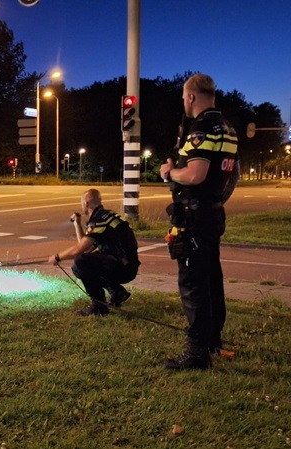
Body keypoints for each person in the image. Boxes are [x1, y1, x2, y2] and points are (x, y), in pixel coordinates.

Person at [159, 73, 239, 370]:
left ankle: (196, 353)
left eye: (183, 96)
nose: (183, 101)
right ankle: (213, 339)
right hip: (212, 211)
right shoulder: (228, 128)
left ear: (191, 96)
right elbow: (232, 175)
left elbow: (195, 174)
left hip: (195, 214)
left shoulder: (202, 129)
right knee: (210, 277)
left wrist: (169, 172)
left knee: (192, 282)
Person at [49, 189, 140, 316]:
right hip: (127, 265)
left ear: (86, 203)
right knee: (78, 266)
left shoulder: (98, 220)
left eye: (82, 203)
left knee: (81, 261)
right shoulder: (106, 216)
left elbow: (79, 250)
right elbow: (86, 248)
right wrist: (77, 224)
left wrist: (57, 257)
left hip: (121, 267)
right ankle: (117, 292)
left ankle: (99, 306)